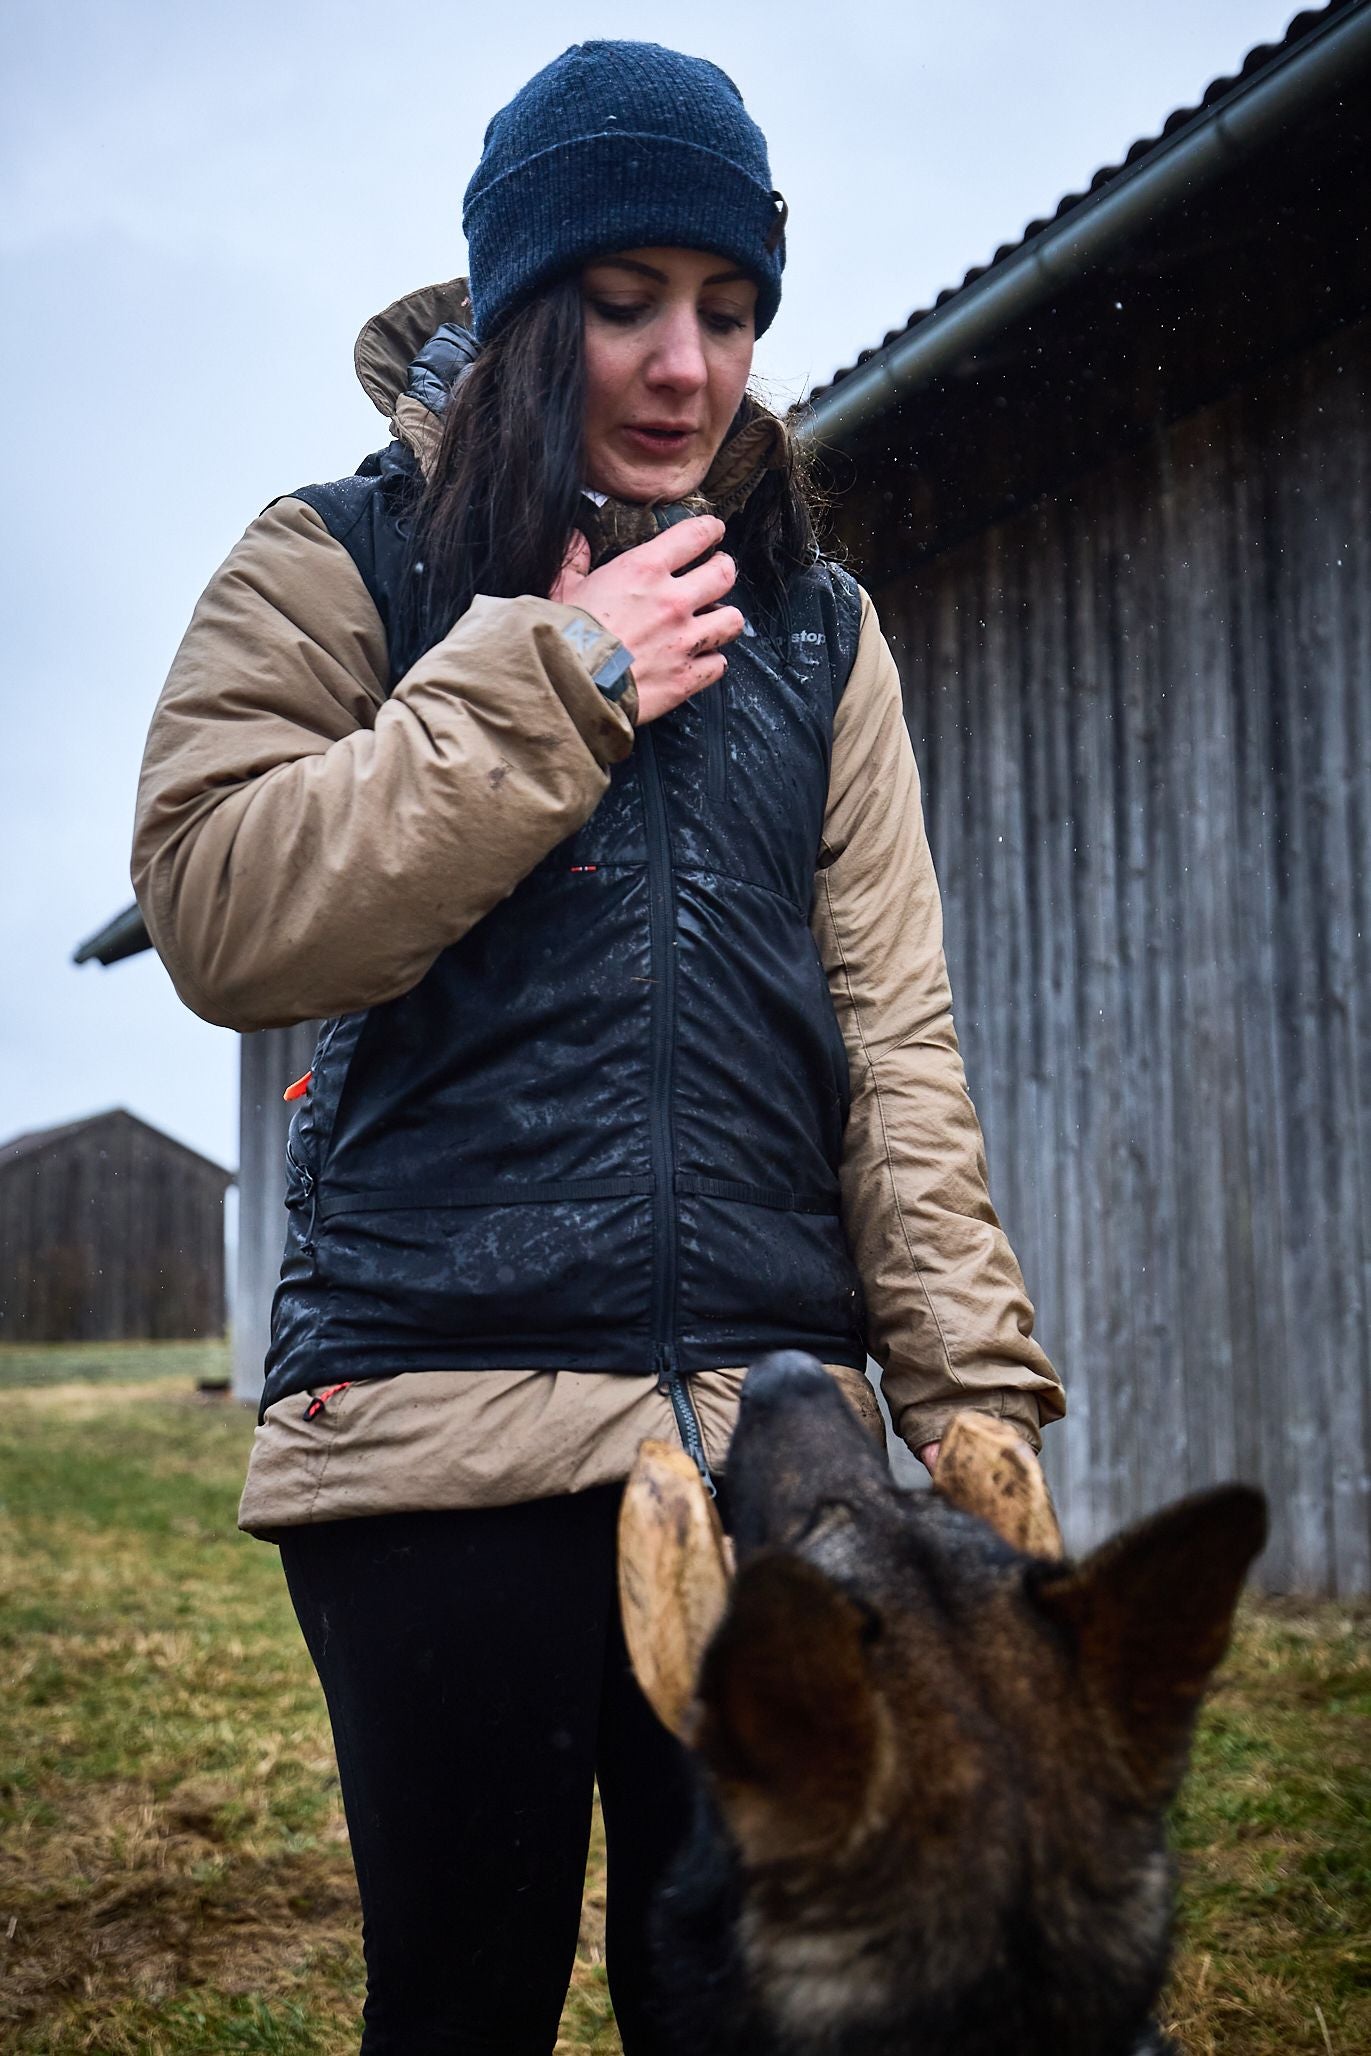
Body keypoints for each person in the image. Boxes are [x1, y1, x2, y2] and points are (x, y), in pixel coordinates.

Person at [131, 39, 1064, 2056]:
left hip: (756, 1445)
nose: (684, 363)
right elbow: (215, 905)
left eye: (726, 310)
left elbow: (892, 1035)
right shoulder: (342, 560)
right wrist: (555, 680)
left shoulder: (817, 632)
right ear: (524, 303)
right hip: (426, 1431)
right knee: (457, 2004)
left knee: (732, 2007)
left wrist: (967, 1389)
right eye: (629, 302)